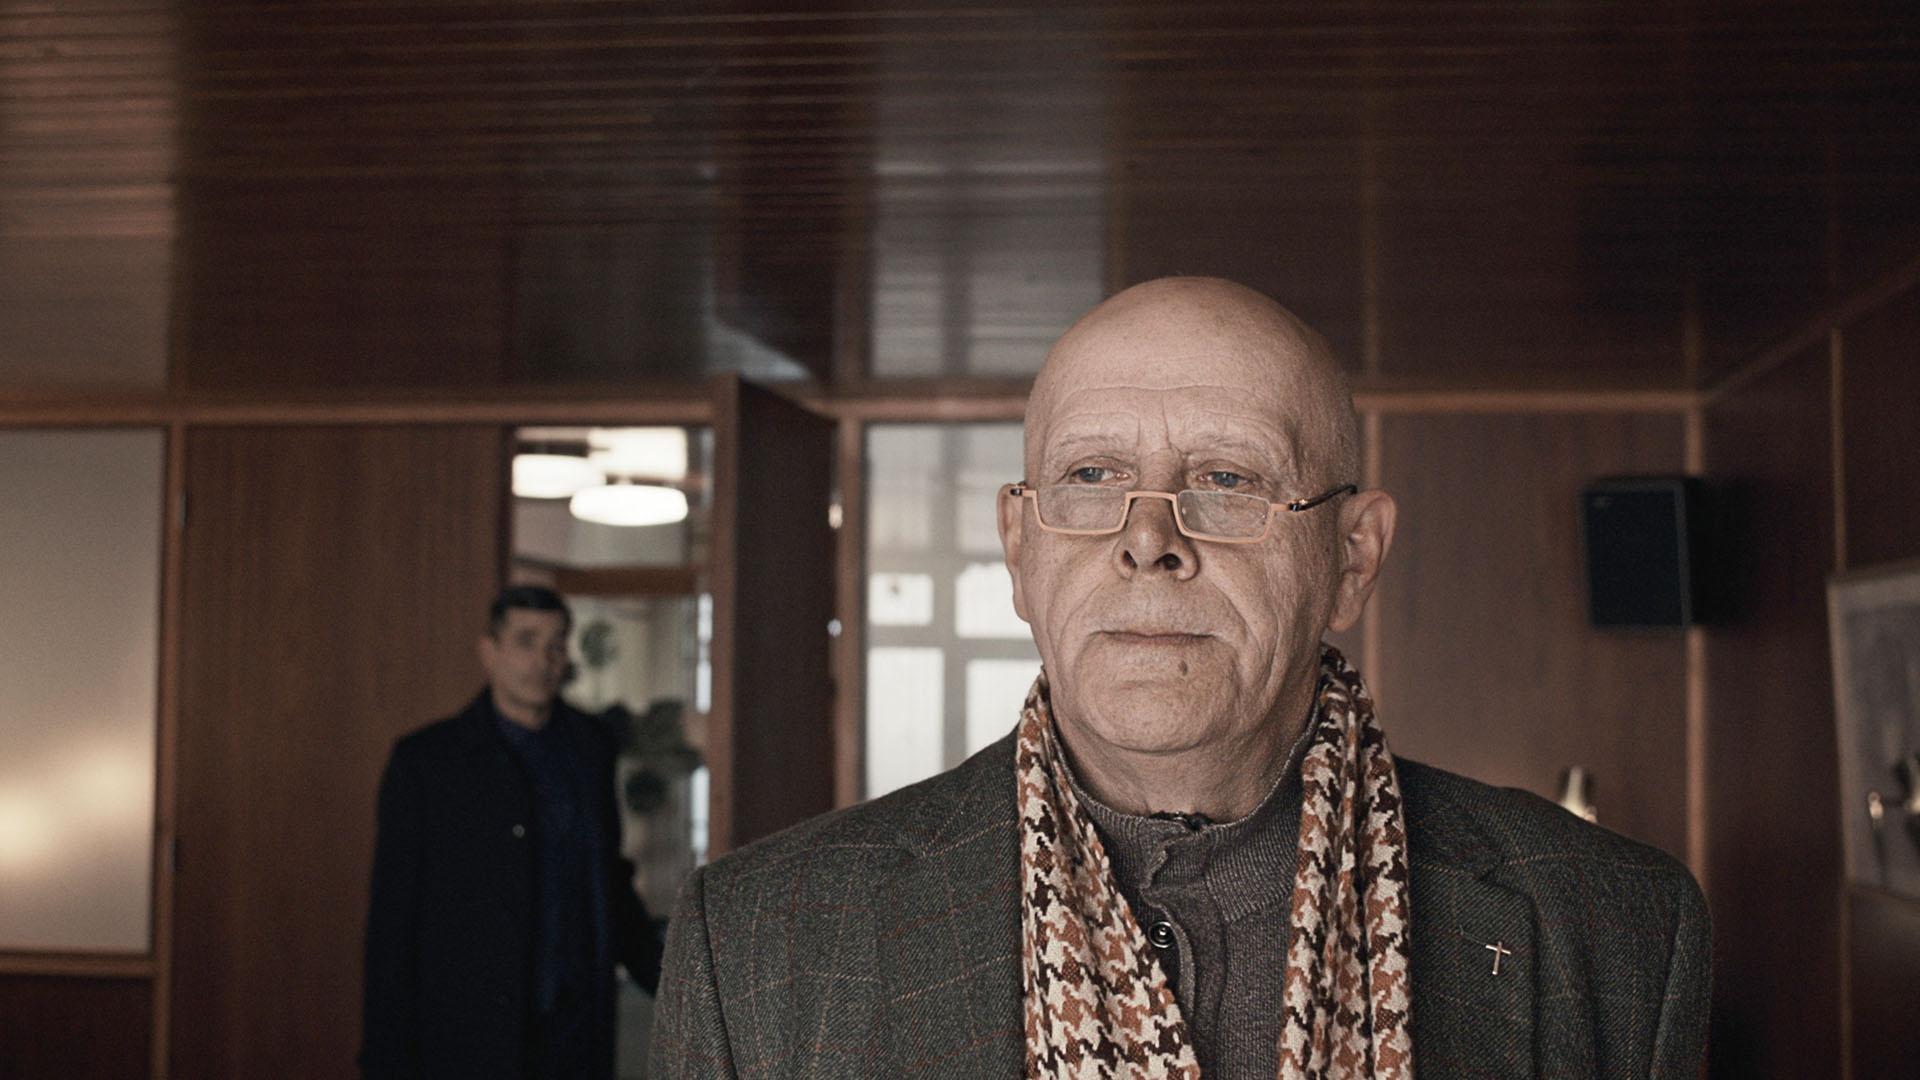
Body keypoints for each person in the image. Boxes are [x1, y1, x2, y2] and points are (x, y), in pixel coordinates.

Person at [649, 278, 1711, 1079]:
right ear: (1020, 548)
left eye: (1226, 479)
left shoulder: (1611, 929)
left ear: (1352, 558)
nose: (1148, 539)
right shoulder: (761, 945)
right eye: (1092, 475)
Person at [362, 585, 665, 1080]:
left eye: (556, 644)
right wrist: (385, 1059)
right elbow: (394, 921)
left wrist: (670, 980)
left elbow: (607, 881)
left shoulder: (589, 748)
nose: (543, 661)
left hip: (574, 1028)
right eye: (526, 641)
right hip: (469, 1031)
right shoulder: (428, 763)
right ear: (490, 651)